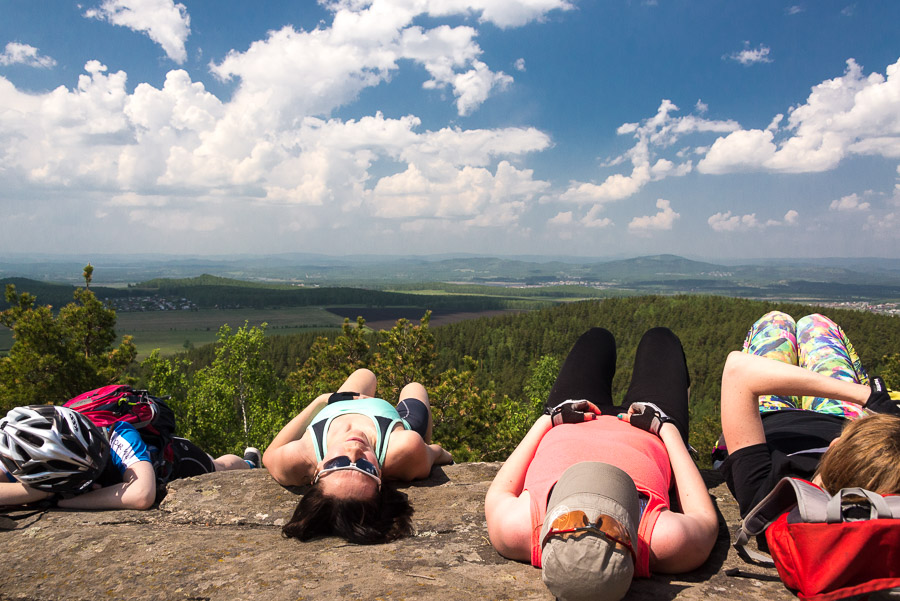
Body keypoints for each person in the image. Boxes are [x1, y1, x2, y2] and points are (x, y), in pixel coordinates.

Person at [484, 327, 718, 601]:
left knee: (596, 338)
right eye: (610, 521)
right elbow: (704, 519)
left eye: (571, 514)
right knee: (661, 339)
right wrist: (666, 428)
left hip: (571, 416)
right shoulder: (663, 543)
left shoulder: (516, 529)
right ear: (632, 544)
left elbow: (499, 490)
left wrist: (549, 419)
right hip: (647, 427)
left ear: (549, 533)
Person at [719, 311, 900, 518]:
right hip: (841, 413)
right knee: (816, 322)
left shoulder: (773, 497)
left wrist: (868, 395)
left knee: (776, 321)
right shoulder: (885, 470)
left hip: (769, 413)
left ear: (834, 449)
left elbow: (738, 369)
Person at [262, 368, 453, 544]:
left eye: (338, 464)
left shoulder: (301, 458)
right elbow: (437, 453)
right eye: (366, 468)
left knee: (365, 374)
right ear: (379, 474)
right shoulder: (404, 448)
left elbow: (268, 455)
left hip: (340, 403)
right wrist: (432, 455)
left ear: (318, 470)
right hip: (390, 423)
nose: (354, 451)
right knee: (414, 387)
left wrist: (321, 401)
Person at [0, 404, 255, 510]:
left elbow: (142, 495)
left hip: (175, 462)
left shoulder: (116, 432)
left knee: (219, 466)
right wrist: (39, 492)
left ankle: (251, 463)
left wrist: (58, 500)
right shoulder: (25, 457)